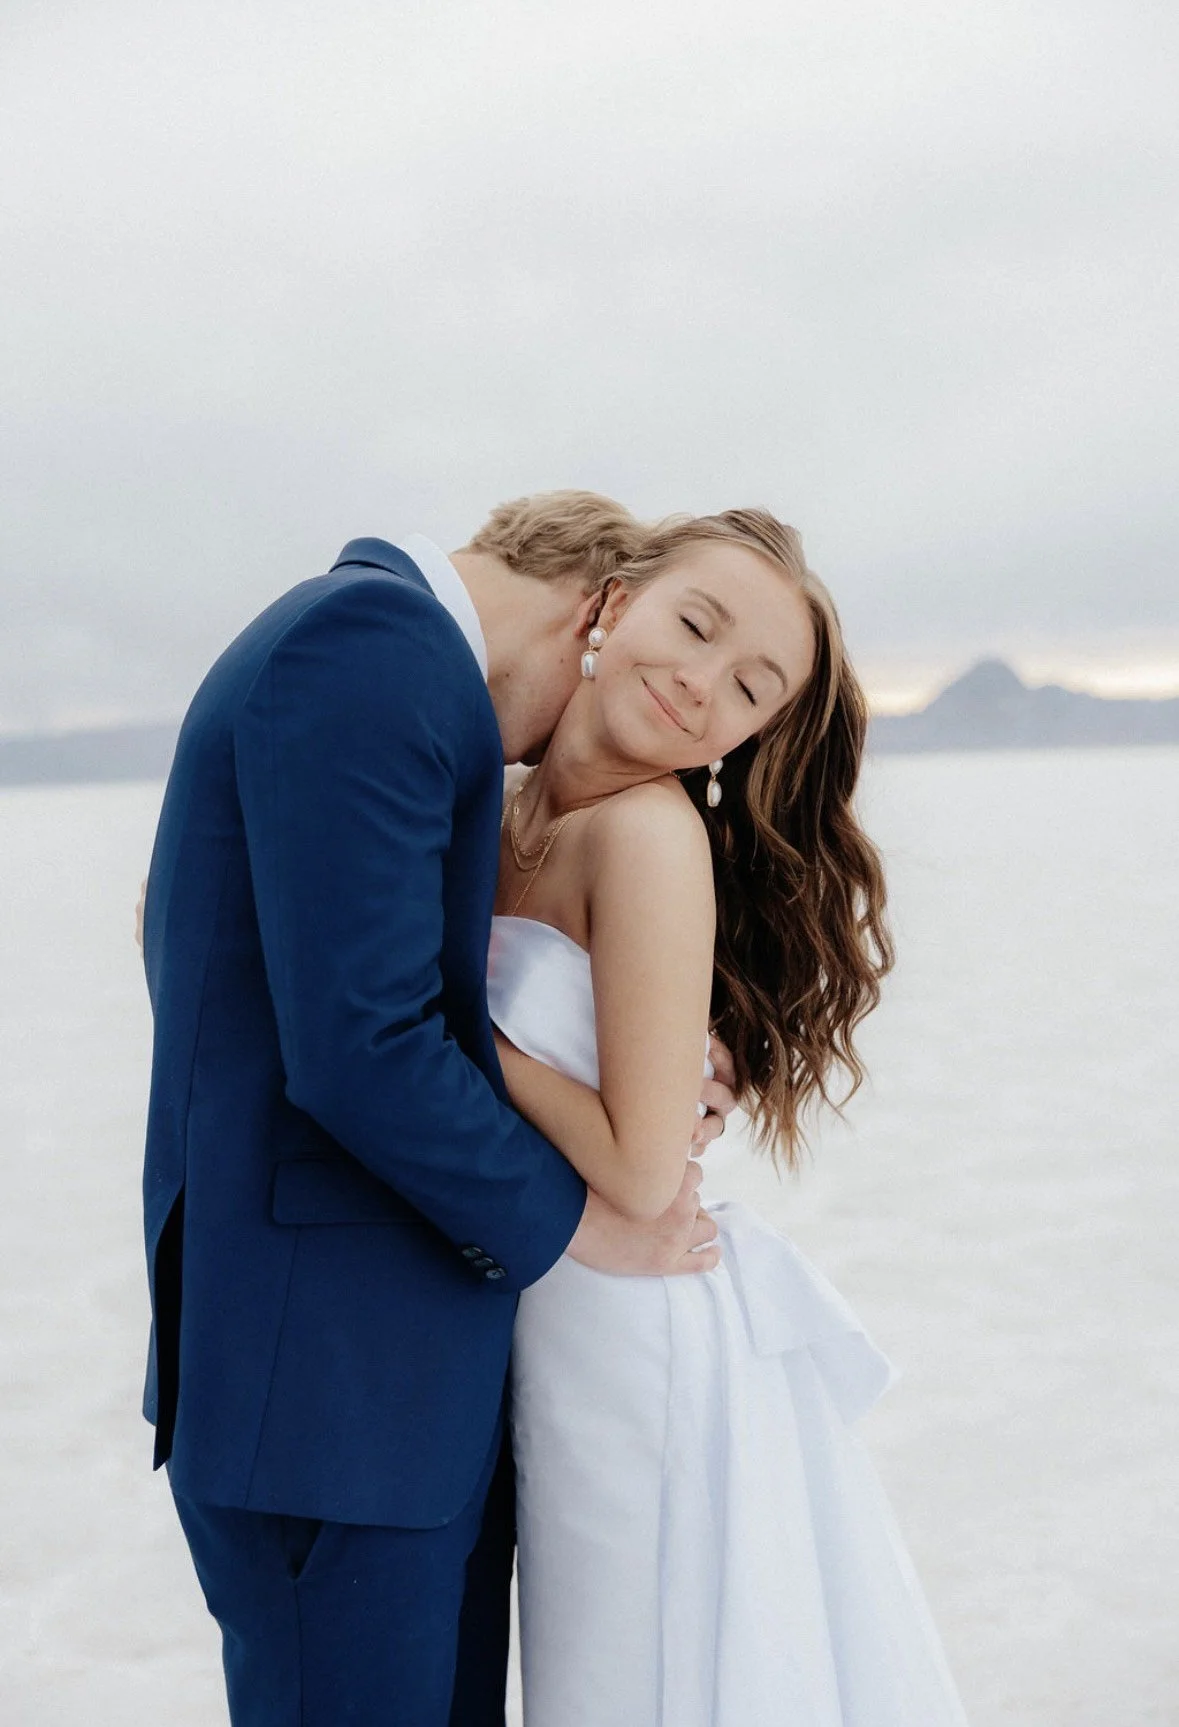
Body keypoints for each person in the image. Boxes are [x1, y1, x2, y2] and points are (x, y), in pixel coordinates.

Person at [138, 494, 737, 1727]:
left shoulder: (353, 645)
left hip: (374, 1388)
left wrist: (635, 1043)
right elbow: (365, 1044)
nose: (529, 768)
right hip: (332, 1393)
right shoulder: (377, 649)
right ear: (593, 615)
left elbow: (210, 927)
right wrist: (585, 1223)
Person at [484, 503, 972, 1723]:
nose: (702, 686)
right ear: (612, 606)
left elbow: (646, 1172)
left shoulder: (649, 838)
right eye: (695, 626)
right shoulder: (492, 805)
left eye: (752, 687)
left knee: (632, 1678)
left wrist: (446, 1040)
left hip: (630, 1337)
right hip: (542, 1317)